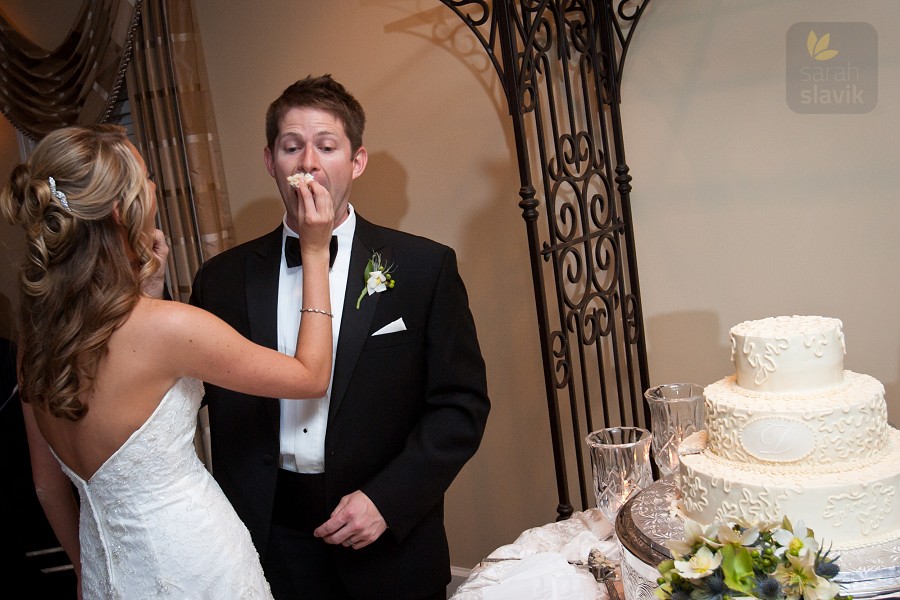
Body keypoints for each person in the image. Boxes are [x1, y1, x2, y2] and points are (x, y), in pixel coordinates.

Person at [1, 123, 336, 599]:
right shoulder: (170, 328)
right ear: (120, 209)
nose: (154, 188)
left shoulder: (34, 341)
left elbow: (47, 487)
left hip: (105, 573)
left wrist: (89, 571)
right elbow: (310, 376)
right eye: (146, 179)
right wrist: (316, 248)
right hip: (196, 566)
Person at [189, 74, 491, 600]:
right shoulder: (221, 280)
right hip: (264, 542)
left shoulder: (423, 267)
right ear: (270, 162)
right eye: (291, 147)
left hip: (387, 544)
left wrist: (387, 501)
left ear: (357, 161)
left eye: (326, 146)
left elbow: (460, 406)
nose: (308, 162)